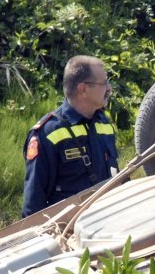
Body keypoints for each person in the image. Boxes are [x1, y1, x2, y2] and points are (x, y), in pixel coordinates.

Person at [22, 55, 118, 218]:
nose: (109, 88)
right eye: (103, 83)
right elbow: (33, 203)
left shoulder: (104, 124)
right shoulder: (48, 133)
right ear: (83, 89)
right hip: (68, 232)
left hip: (106, 222)